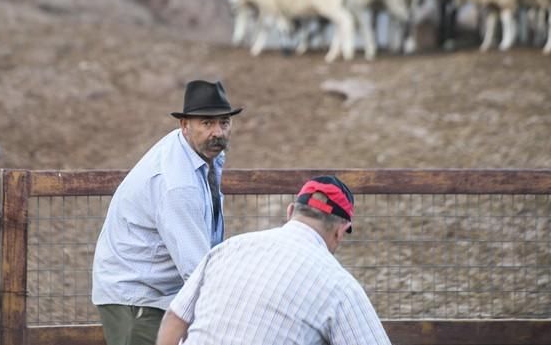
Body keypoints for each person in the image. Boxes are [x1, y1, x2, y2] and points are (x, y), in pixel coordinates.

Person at [156, 175, 392, 345]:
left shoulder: (230, 248)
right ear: (341, 231)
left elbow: (175, 318)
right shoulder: (341, 286)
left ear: (290, 211)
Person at [92, 79, 242, 345]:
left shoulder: (202, 153)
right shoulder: (177, 184)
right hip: (138, 297)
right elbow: (195, 267)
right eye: (207, 123)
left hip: (160, 293)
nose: (217, 132)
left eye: (224, 122)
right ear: (185, 125)